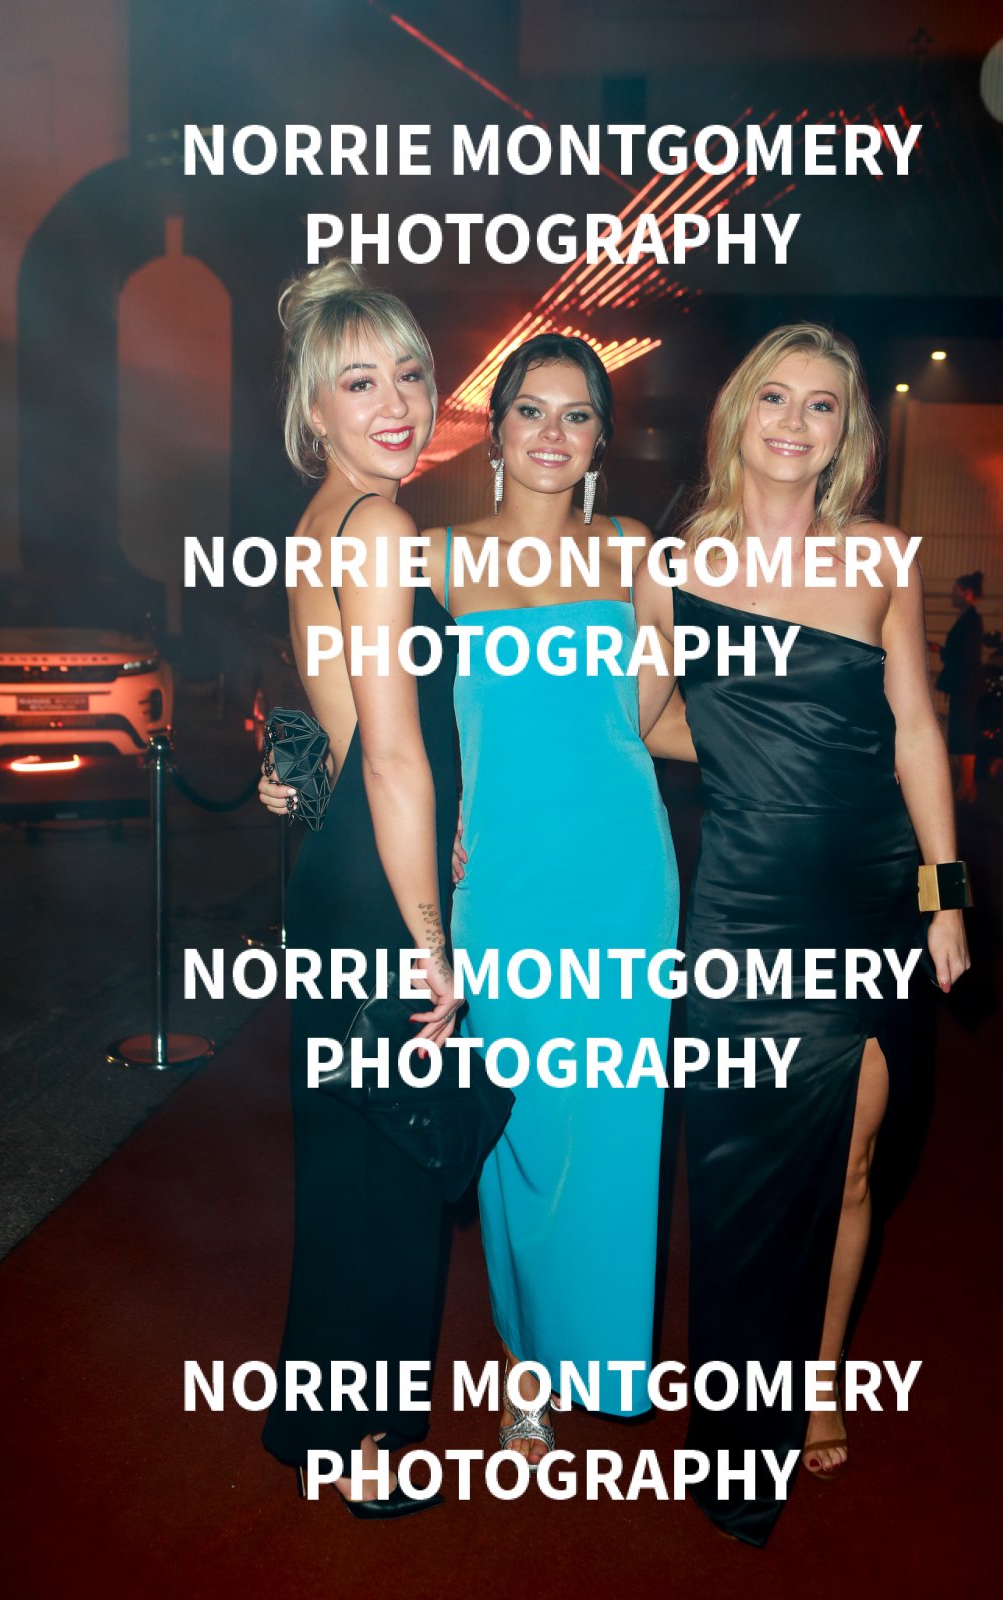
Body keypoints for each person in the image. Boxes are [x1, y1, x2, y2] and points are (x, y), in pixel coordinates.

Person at [645, 324, 970, 1545]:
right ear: (739, 415)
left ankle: (822, 1373)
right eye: (774, 397)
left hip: (872, 892)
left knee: (851, 1158)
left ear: (848, 433)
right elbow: (636, 724)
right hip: (742, 905)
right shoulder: (674, 568)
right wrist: (754, 756)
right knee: (735, 1182)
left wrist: (945, 894)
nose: (794, 421)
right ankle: (738, 1407)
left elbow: (916, 729)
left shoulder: (883, 555)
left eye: (821, 404)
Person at [435, 333, 680, 1462]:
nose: (551, 432)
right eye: (530, 410)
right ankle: (525, 1357)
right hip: (503, 882)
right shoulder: (437, 560)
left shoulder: (633, 552)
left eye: (576, 415)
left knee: (615, 1125)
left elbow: (645, 715)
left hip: (623, 876)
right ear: (495, 430)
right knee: (523, 1125)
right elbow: (393, 726)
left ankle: (600, 1352)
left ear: (599, 440)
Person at [257, 260, 459, 1517]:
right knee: (391, 1172)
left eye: (410, 375)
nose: (397, 404)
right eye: (360, 382)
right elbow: (389, 755)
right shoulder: (380, 529)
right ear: (314, 407)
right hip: (378, 896)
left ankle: (327, 1426)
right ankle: (372, 1445)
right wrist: (432, 938)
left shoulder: (322, 521)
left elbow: (336, 743)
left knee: (348, 1162)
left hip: (342, 876)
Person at [937, 570, 985, 803]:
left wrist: (945, 652)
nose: (952, 595)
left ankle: (967, 785)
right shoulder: (968, 619)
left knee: (964, 732)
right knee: (961, 731)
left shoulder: (971, 620)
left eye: (955, 591)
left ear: (967, 593)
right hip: (964, 684)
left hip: (965, 685)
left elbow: (965, 655)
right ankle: (967, 784)